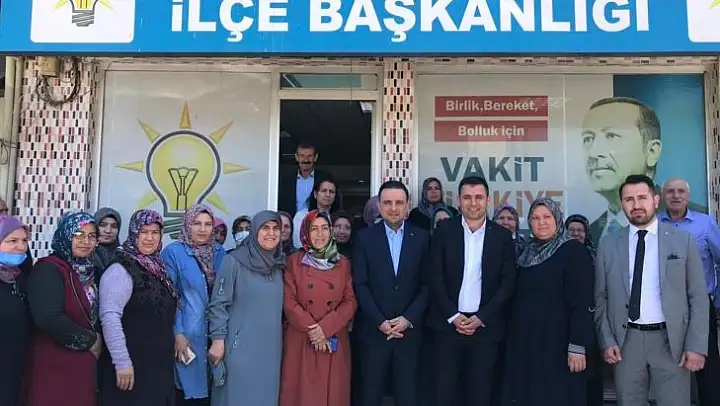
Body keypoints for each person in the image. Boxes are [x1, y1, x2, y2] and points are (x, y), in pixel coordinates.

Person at [595, 174, 709, 406]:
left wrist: (696, 346)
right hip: (626, 342)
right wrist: (606, 340)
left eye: (642, 198)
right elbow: (600, 298)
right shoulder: (608, 244)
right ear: (622, 204)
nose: (636, 205)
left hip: (672, 342)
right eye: (629, 200)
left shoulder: (683, 241)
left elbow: (697, 296)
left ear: (656, 200)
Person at [425, 176, 516, 406]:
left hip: (485, 329)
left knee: (481, 395)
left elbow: (507, 284)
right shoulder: (444, 231)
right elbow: (434, 276)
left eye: (478, 197)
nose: (473, 203)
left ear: (487, 200)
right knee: (444, 394)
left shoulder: (502, 236)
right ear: (459, 200)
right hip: (447, 327)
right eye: (467, 197)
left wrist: (482, 317)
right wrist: (453, 315)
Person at [503, 199, 595, 406]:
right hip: (527, 345)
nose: (541, 222)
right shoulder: (525, 252)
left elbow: (582, 301)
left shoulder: (573, 251)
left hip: (560, 346)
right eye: (535, 218)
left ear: (557, 219)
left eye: (547, 217)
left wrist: (578, 345)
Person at [352, 180, 429, 406]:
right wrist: (380, 321)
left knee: (408, 396)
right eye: (387, 203)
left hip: (409, 334)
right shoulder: (364, 238)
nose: (393, 208)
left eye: (399, 203)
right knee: (370, 396)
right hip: (374, 332)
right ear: (379, 205)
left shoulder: (423, 238)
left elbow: (428, 285)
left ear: (408, 205)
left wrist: (408, 319)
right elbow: (361, 285)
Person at [99, 209, 178, 406]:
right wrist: (122, 362)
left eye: (155, 232)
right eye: (144, 232)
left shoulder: (157, 266)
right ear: (134, 233)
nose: (150, 238)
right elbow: (110, 316)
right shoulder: (121, 268)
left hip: (157, 367)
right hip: (131, 368)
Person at [207, 211, 286, 406]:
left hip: (270, 351)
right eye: (265, 228)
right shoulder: (234, 261)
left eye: (276, 228)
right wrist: (217, 341)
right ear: (255, 231)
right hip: (239, 349)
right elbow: (218, 304)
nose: (271, 233)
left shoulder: (279, 265)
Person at [280, 210, 357, 406]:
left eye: (324, 228)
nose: (320, 234)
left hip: (333, 338)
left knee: (332, 394)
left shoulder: (343, 263)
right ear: (305, 232)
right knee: (302, 394)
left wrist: (325, 328)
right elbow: (289, 301)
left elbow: (350, 301)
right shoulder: (293, 262)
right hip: (301, 338)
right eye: (314, 229)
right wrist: (314, 331)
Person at [25, 212, 103, 406]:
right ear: (65, 235)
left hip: (82, 366)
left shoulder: (92, 270)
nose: (86, 241)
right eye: (78, 235)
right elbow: (48, 317)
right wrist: (90, 341)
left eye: (92, 236)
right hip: (54, 363)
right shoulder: (49, 269)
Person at [658, 177, 720, 406]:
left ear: (688, 196)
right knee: (667, 366)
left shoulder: (705, 224)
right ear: (662, 196)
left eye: (681, 191)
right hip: (663, 307)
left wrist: (718, 300)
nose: (676, 196)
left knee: (708, 370)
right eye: (670, 191)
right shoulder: (654, 224)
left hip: (699, 306)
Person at [162, 204, 226, 406]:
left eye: (208, 224)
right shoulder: (173, 252)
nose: (202, 229)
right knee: (188, 393)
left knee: (213, 393)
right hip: (188, 336)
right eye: (197, 223)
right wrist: (178, 333)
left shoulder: (220, 253)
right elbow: (169, 296)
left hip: (216, 335)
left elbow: (224, 296)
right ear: (188, 224)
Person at [564, 213, 603, 406]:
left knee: (592, 374)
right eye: (571, 230)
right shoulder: (558, 255)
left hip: (593, 323)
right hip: (568, 324)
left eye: (580, 230)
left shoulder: (595, 256)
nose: (576, 233)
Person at [0, 216, 32, 406]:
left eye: (24, 240)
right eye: (12, 241)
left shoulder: (21, 279)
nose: (20, 247)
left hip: (15, 372)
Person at [278, 142, 331, 217]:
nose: (306, 160)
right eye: (302, 156)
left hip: (316, 221)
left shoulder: (324, 177)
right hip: (292, 221)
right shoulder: (287, 179)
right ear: (297, 157)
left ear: (315, 157)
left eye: (309, 156)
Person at [293, 175, 339, 248]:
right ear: (315, 194)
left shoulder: (338, 218)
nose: (327, 195)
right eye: (324, 191)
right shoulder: (302, 216)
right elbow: (298, 243)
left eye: (331, 192)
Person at [92, 207, 122, 273]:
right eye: (102, 225)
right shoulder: (86, 255)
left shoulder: (125, 256)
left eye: (114, 226)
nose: (108, 231)